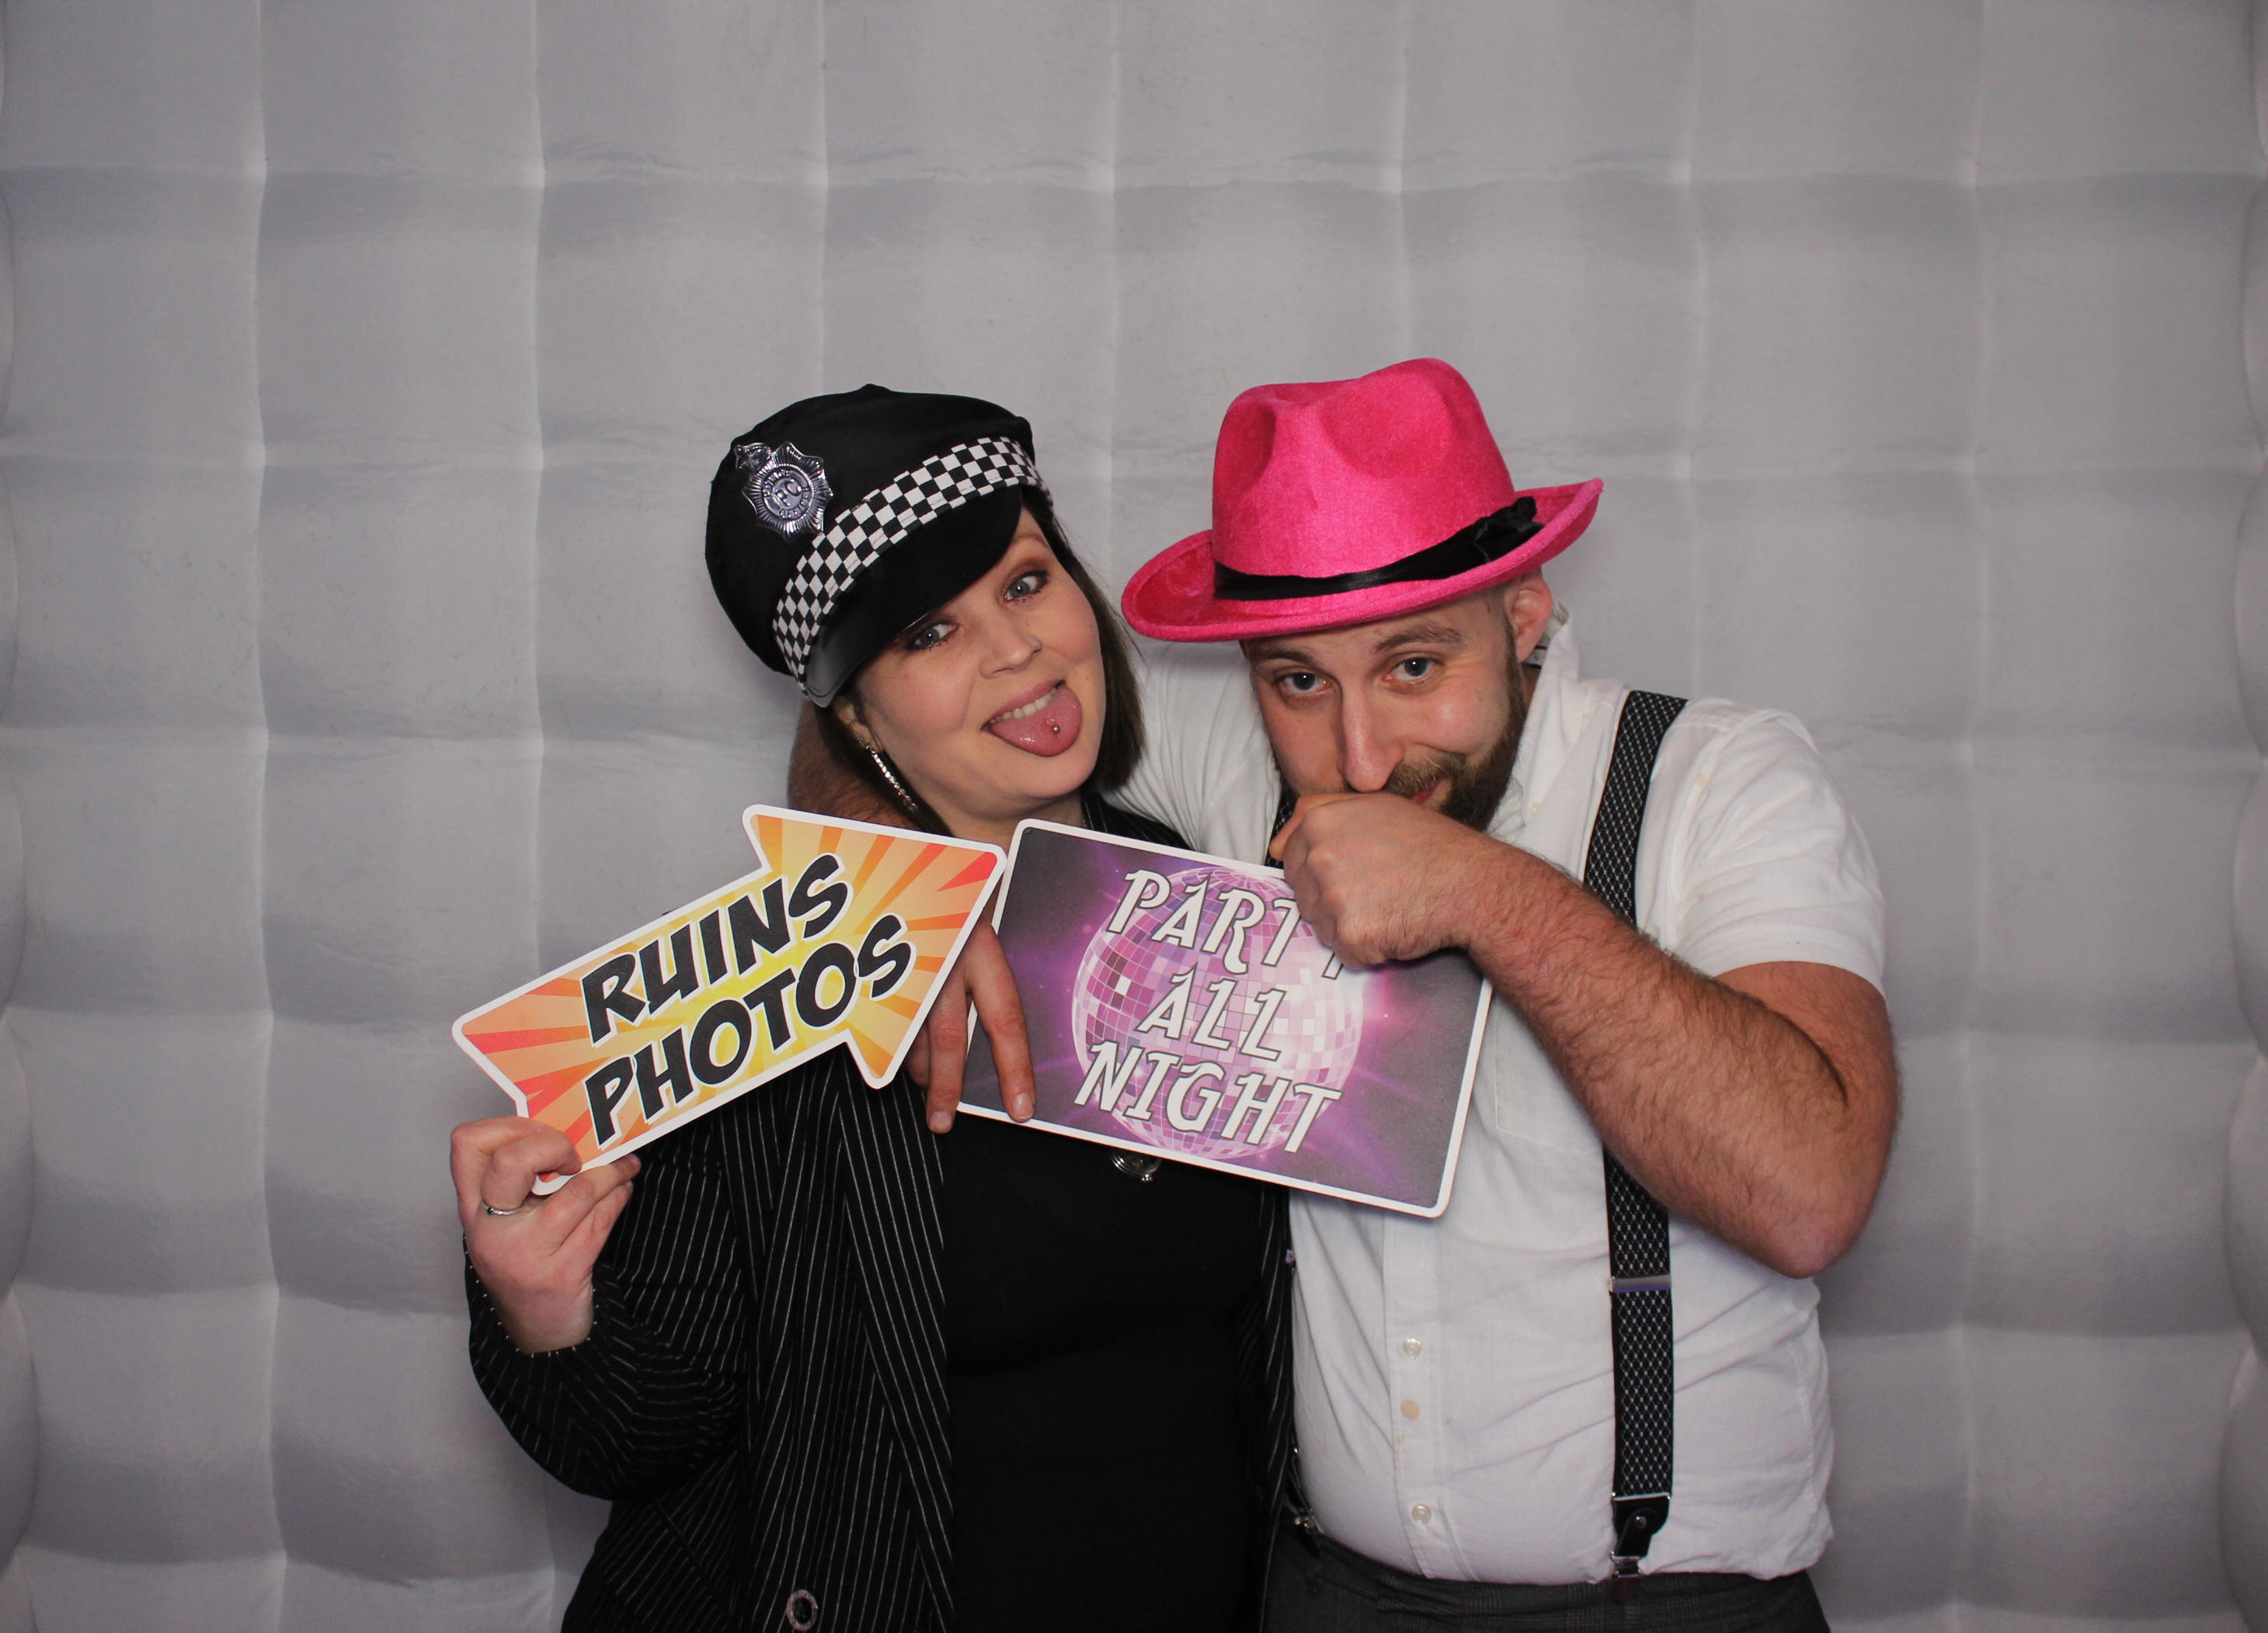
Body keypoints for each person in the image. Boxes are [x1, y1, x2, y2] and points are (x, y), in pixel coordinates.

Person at [805, 359, 1895, 1631]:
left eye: (1415, 666)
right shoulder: (1241, 759)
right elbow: (898, 722)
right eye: (1298, 680)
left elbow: (1810, 1194)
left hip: (1665, 1604)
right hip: (1317, 1594)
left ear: (1526, 610)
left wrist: (1490, 895)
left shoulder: (1714, 784)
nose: (1362, 759)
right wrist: (901, 892)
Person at [449, 386, 1292, 1633]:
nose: (1015, 650)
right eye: (927, 634)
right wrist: (545, 1309)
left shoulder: (1219, 902)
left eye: (1025, 582)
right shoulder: (768, 989)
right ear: (854, 713)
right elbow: (637, 1435)